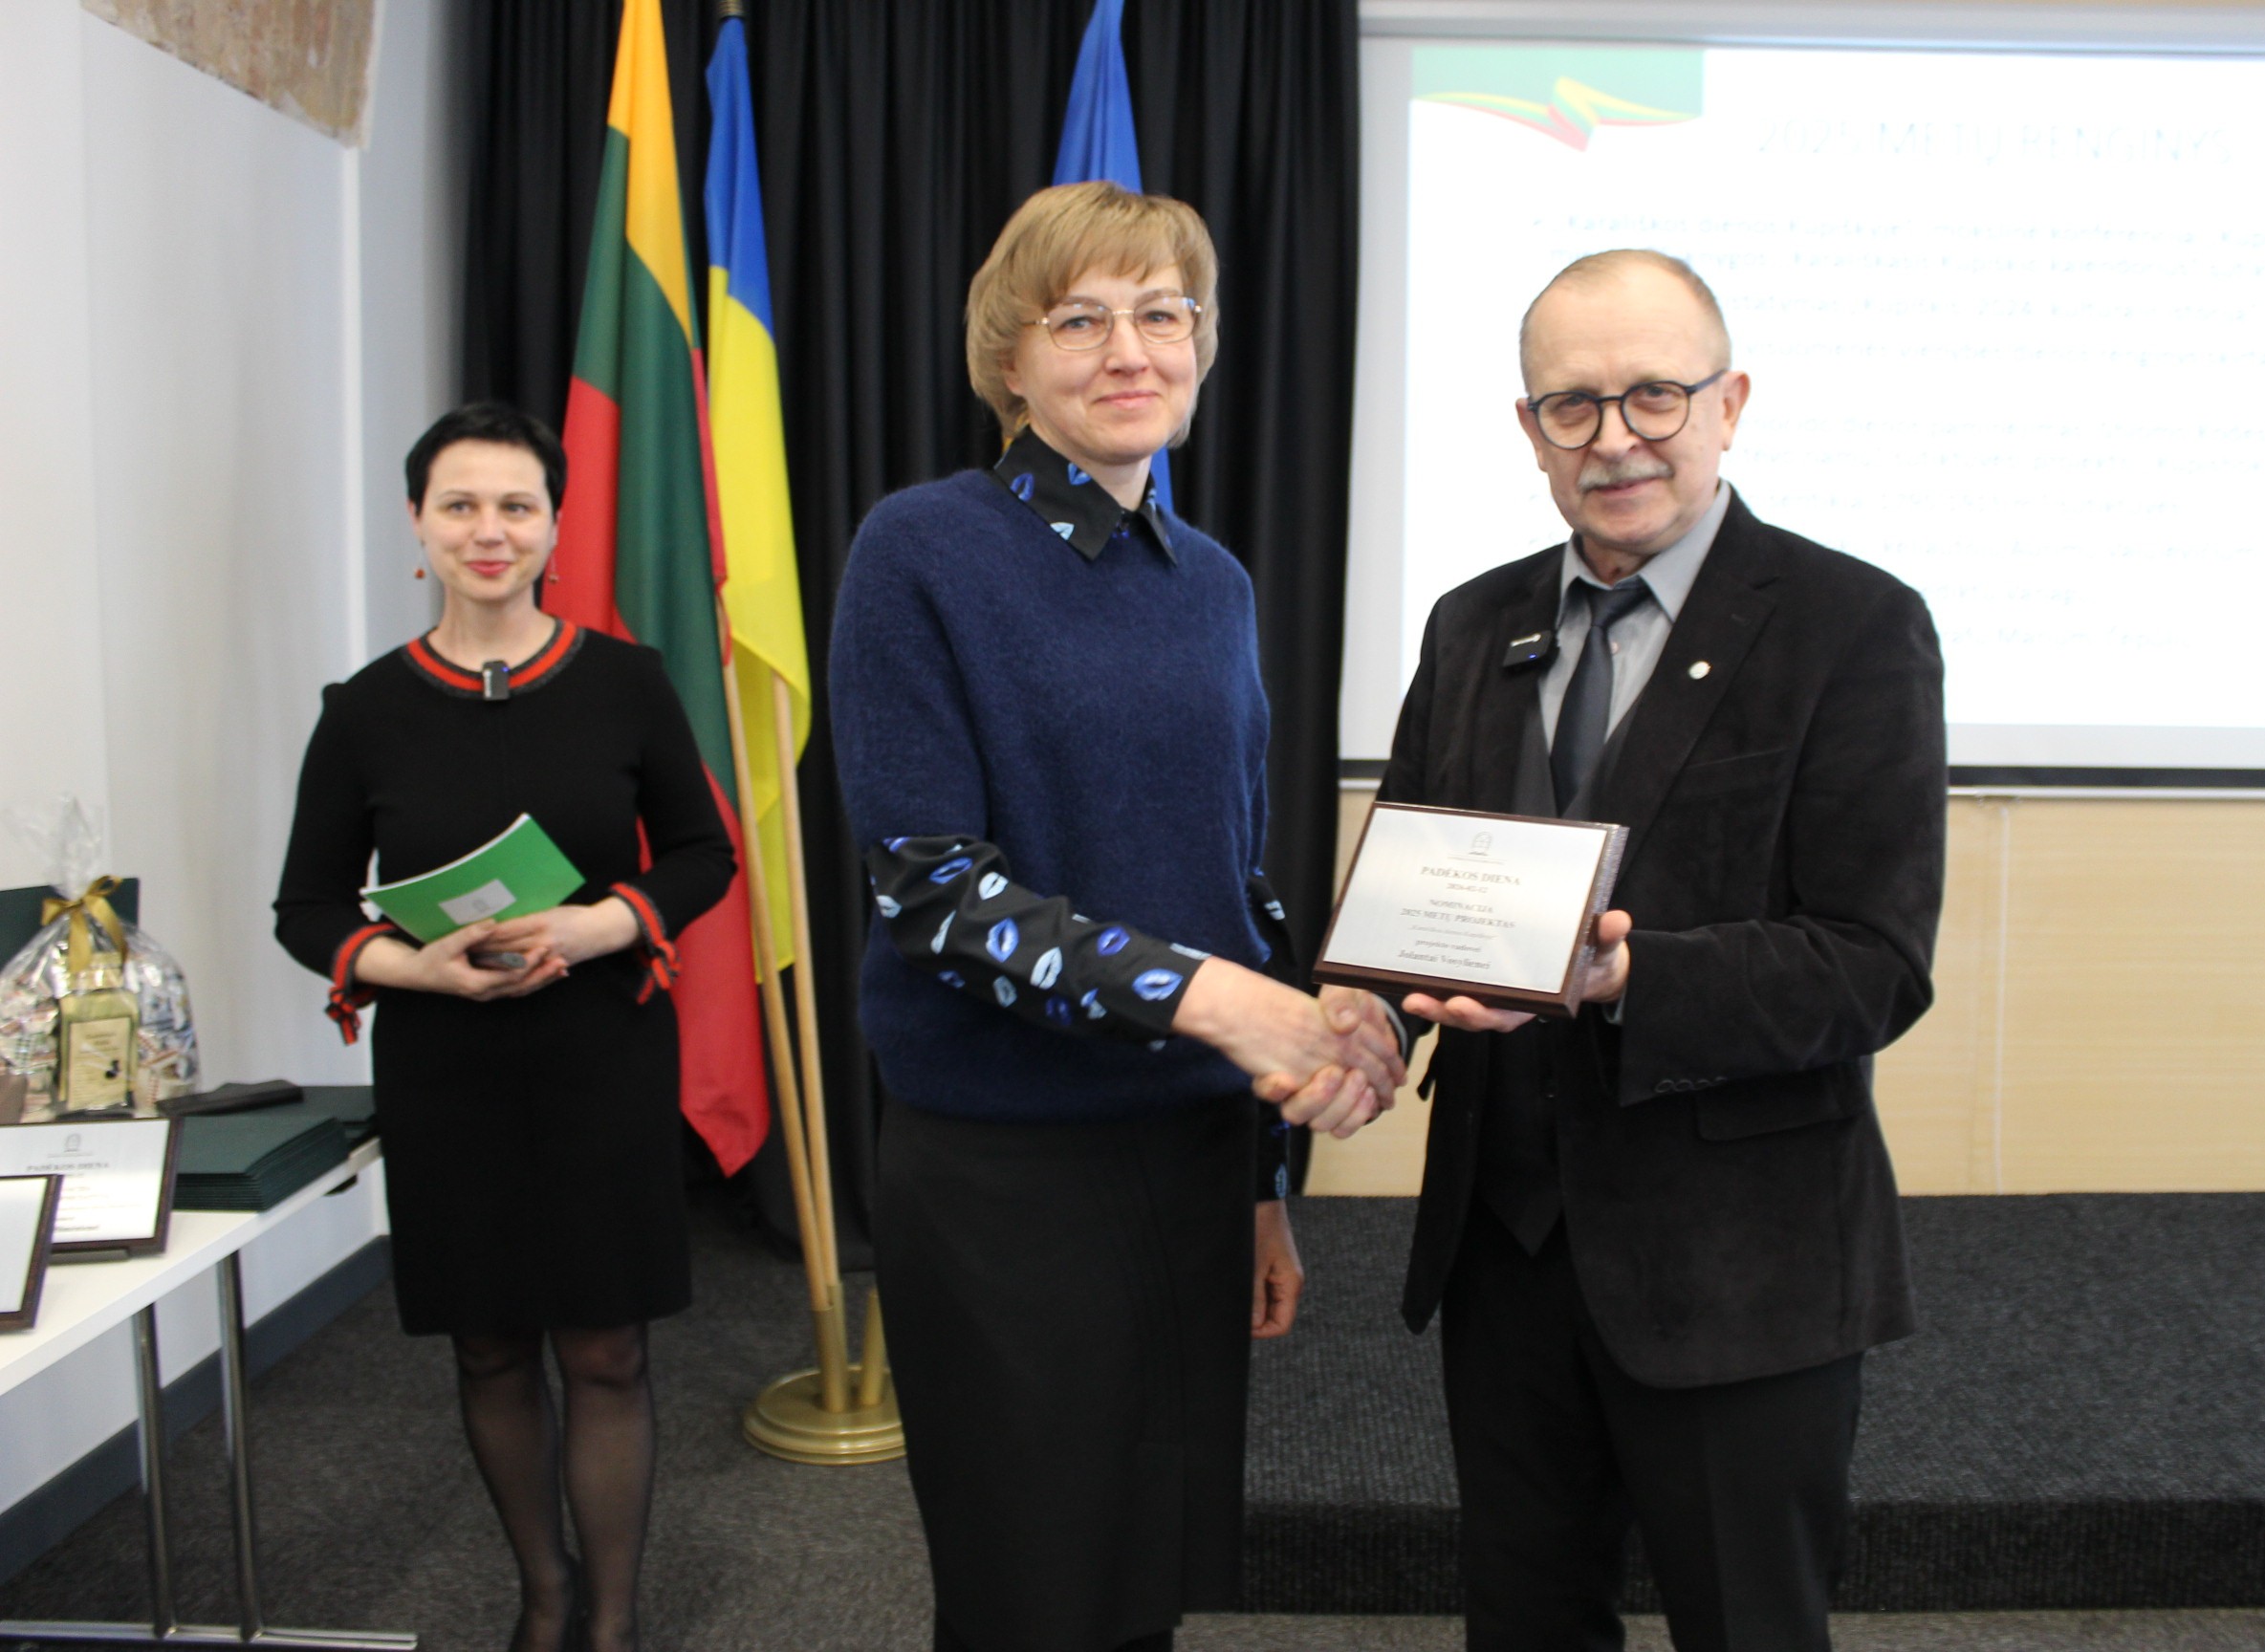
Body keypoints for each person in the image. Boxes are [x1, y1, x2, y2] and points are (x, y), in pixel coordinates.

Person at [828, 181, 1406, 1652]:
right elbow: (936, 895)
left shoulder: (1210, 582)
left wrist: (1265, 1177)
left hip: (1191, 1158)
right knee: (1028, 1601)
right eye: (1079, 320)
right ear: (1008, 360)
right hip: (1009, 1174)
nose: (1129, 349)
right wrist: (1221, 1003)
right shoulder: (920, 549)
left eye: (1162, 313)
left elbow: (1235, 881)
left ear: (1202, 345)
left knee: (1151, 1584)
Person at [1383, 250, 1946, 1652]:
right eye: (1570, 406)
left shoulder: (1851, 624)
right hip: (1506, 1245)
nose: (1614, 438)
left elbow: (1873, 962)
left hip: (1737, 1263)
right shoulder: (1471, 625)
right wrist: (1363, 1014)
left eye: (1654, 395)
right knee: (1523, 1625)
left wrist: (1633, 979)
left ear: (1728, 402)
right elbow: (1410, 896)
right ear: (1529, 430)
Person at [274, 403, 734, 1652]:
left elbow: (702, 855)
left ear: (553, 525)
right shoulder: (363, 709)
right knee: (486, 1348)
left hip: (599, 1055)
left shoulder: (628, 682)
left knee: (605, 1349)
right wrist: (414, 970)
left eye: (517, 505)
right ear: (417, 524)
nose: (490, 530)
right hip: (448, 1067)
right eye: (461, 505)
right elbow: (306, 908)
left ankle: (613, 1622)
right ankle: (543, 1595)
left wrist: (598, 927)